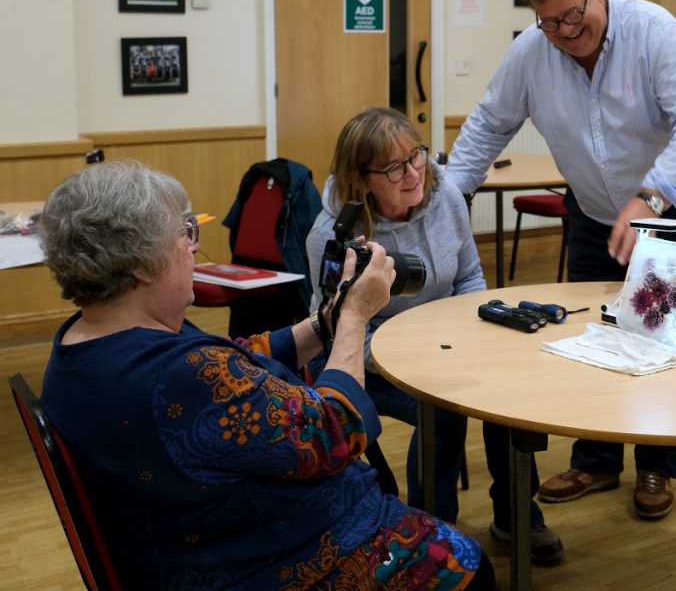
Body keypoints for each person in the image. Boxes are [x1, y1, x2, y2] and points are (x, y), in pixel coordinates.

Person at [38, 160, 496, 590]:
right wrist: (356, 317)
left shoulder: (85, 342)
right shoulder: (176, 375)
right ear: (139, 264)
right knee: (469, 565)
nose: (194, 244)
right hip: (273, 562)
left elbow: (238, 361)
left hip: (204, 543)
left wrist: (324, 322)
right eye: (184, 233)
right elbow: (336, 430)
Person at [445, 0, 676, 520]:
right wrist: (446, 197)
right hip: (597, 212)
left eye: (575, 14)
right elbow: (488, 124)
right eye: (550, 22)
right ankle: (597, 457)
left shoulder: (653, 31)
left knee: (663, 332)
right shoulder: (532, 51)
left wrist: (650, 196)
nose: (567, 32)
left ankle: (658, 463)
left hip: (674, 201)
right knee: (598, 331)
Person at [305, 107, 564, 563]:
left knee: (504, 393)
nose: (413, 174)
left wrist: (474, 332)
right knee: (442, 407)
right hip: (373, 360)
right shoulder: (333, 235)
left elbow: (468, 275)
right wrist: (416, 360)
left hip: (449, 345)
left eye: (417, 156)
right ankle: (430, 532)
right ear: (361, 179)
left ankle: (516, 513)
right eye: (394, 167)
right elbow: (337, 326)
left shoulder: (443, 196)